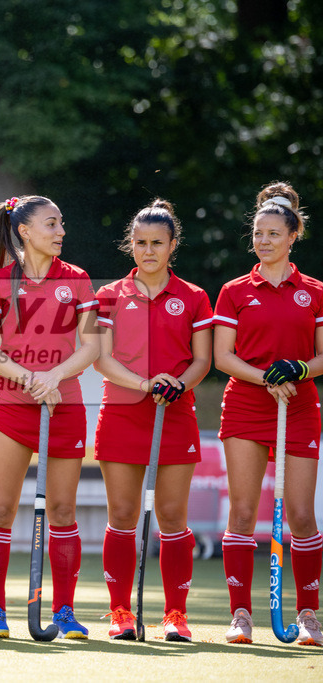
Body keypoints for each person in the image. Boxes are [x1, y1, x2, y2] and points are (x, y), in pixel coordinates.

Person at [0, 195, 100, 639]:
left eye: (61, 223)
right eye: (51, 224)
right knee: (1, 510)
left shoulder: (79, 280)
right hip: (11, 409)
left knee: (64, 511)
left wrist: (55, 376)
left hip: (63, 408)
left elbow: (91, 346)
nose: (61, 231)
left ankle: (64, 611)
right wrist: (31, 379)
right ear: (25, 231)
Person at [93, 199, 212, 642]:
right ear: (131, 245)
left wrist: (177, 384)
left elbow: (203, 361)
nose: (148, 251)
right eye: (140, 243)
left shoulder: (194, 296)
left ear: (172, 245)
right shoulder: (109, 295)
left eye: (157, 243)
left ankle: (175, 615)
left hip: (175, 414)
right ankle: (121, 612)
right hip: (123, 413)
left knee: (172, 516)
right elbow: (101, 360)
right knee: (122, 514)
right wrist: (146, 385)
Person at [214, 181, 322, 646]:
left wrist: (297, 370)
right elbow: (223, 356)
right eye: (258, 233)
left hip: (299, 407)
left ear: (292, 235)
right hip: (246, 404)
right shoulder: (235, 290)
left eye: (273, 234)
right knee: (241, 512)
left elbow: (322, 356)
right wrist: (267, 378)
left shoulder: (314, 291)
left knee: (300, 515)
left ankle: (309, 615)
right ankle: (241, 614)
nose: (263, 241)